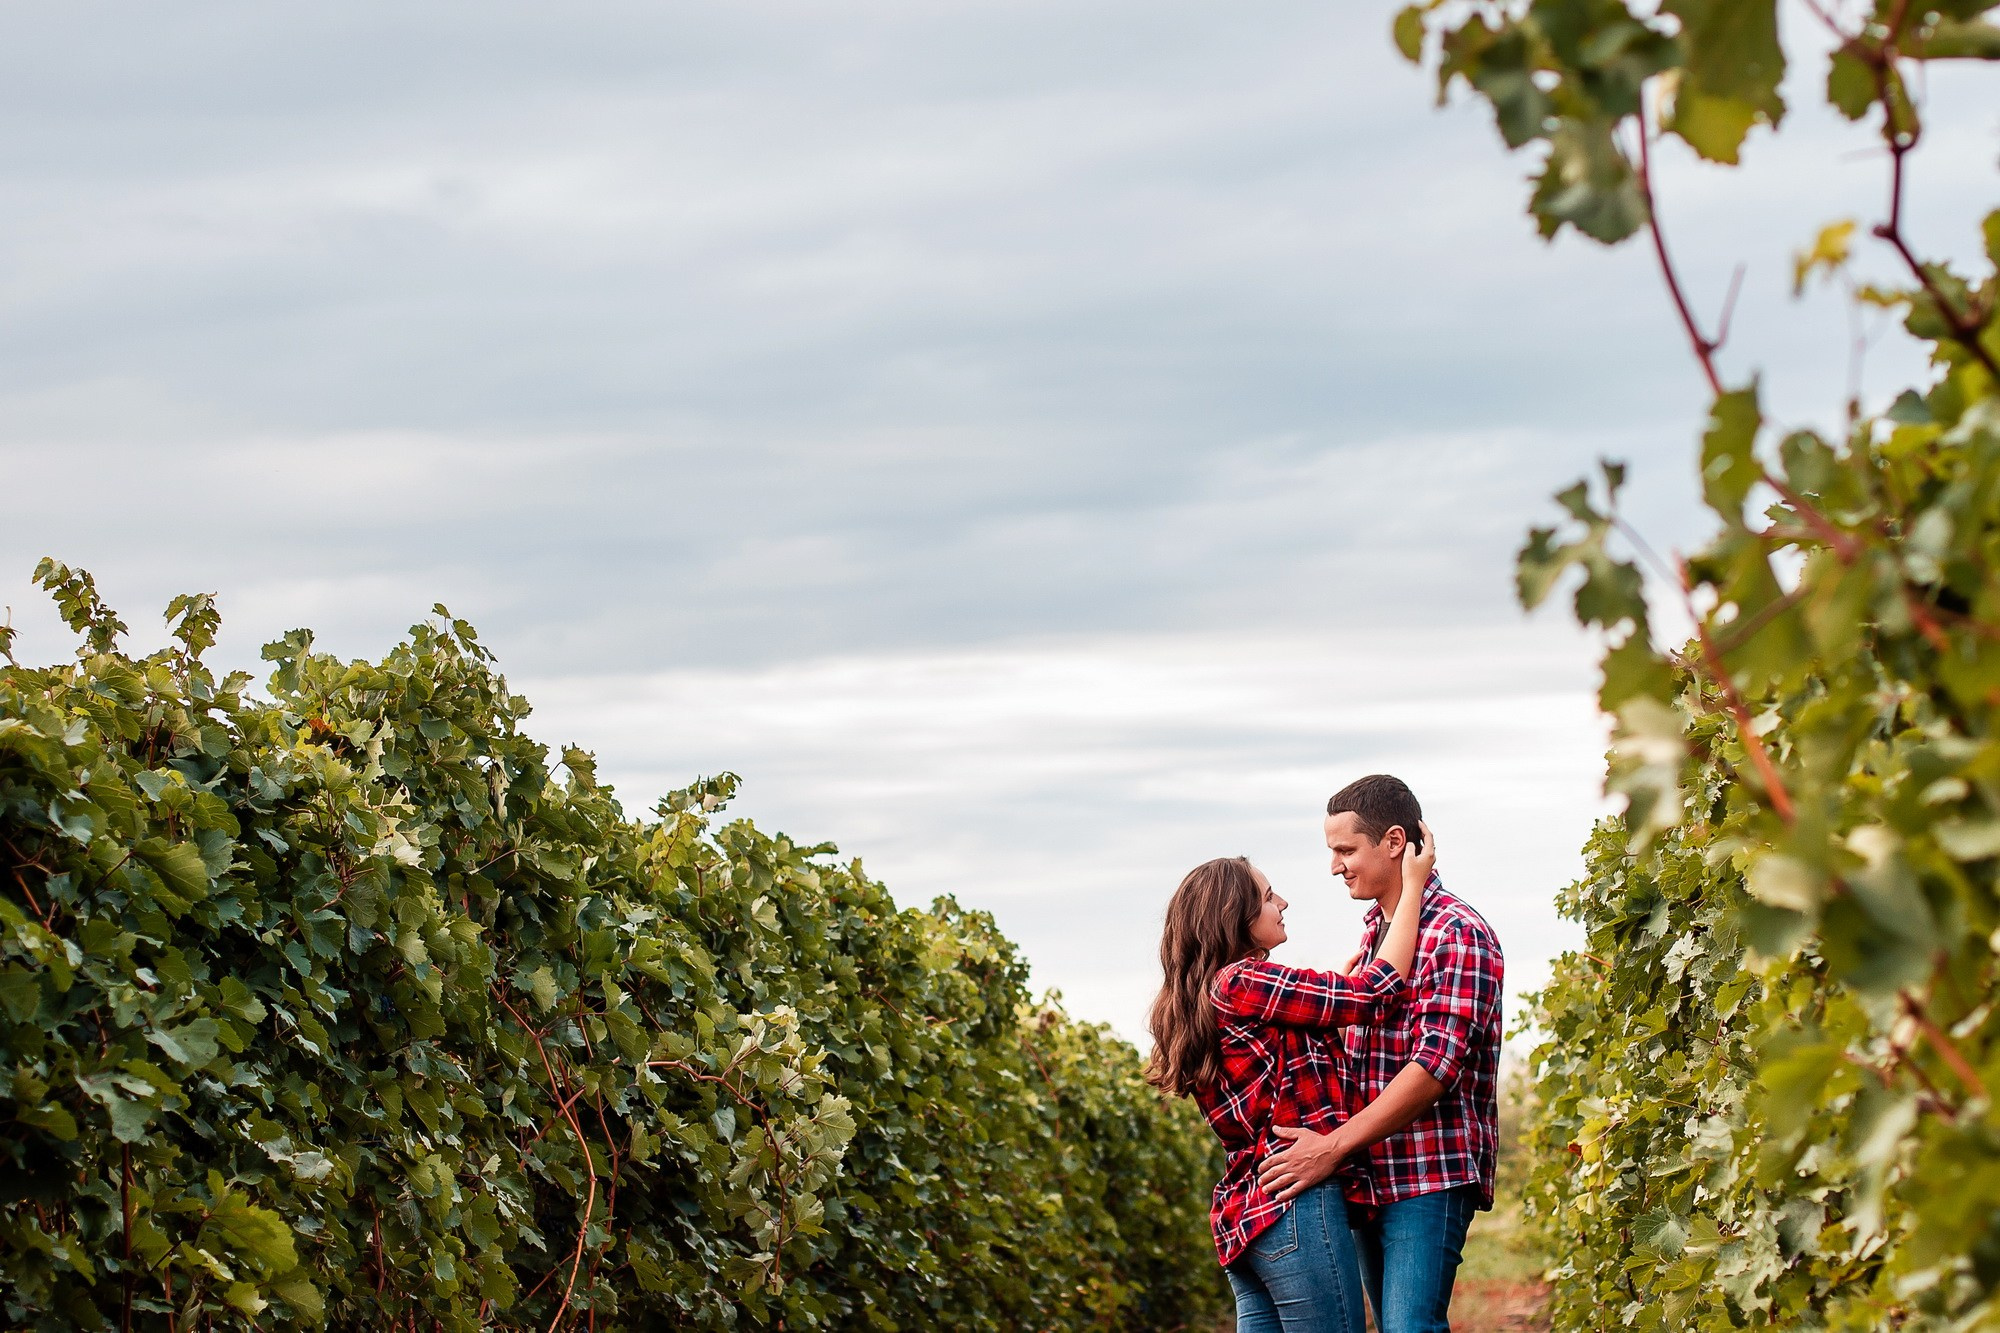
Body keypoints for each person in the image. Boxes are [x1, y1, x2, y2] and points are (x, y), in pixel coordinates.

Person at [1145, 826, 1438, 1333]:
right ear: (1234, 918)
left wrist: (1332, 1008)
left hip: (1249, 1212)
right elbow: (1376, 992)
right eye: (1266, 895)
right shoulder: (1244, 981)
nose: (1282, 902)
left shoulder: (1209, 996)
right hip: (1295, 1205)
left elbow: (1287, 1076)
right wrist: (1414, 885)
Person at [1256, 776, 1504, 1333]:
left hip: (1426, 1173)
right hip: (1372, 1174)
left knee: (1410, 1329)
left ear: (1395, 842)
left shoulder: (1455, 933)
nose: (1335, 866)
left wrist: (1332, 1147)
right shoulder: (1378, 937)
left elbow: (1434, 1069)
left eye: (1346, 850)